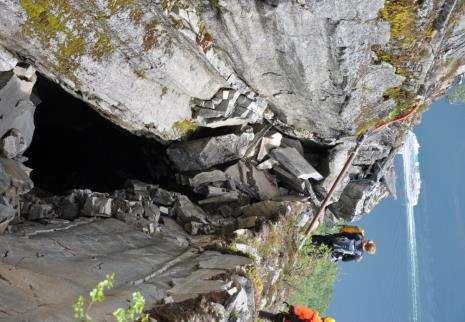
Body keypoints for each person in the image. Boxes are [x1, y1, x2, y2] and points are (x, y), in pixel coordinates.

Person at [311, 227, 376, 262]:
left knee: (317, 239)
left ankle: (306, 237)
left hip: (334, 240)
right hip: (334, 251)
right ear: (367, 251)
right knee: (317, 254)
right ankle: (308, 253)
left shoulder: (359, 237)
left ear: (368, 243)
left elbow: (345, 234)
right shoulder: (358, 255)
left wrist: (335, 236)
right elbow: (345, 259)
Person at [259, 303, 335, 322]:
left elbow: (297, 309)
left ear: (325, 318)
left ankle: (255, 313)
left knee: (269, 317)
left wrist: (291, 308)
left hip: (286, 319)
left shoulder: (313, 315)